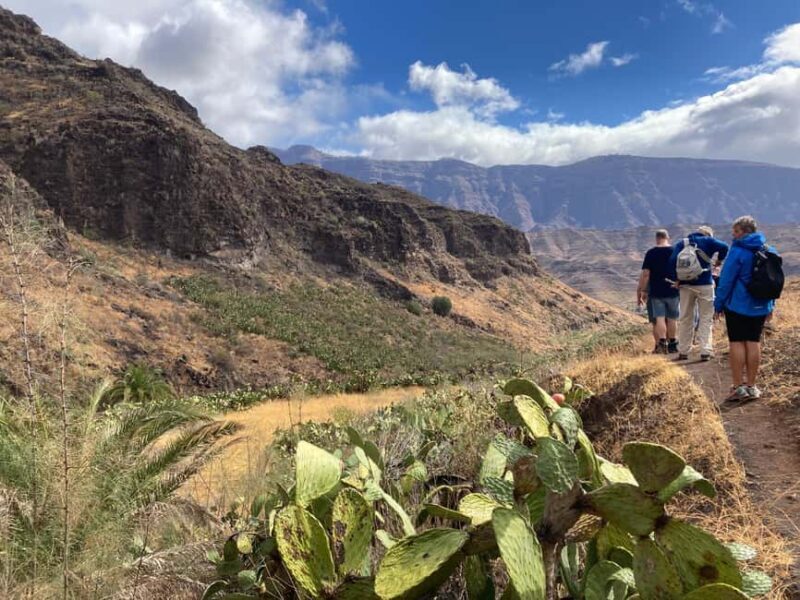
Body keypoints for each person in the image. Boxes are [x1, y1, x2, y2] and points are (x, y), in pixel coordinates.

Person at [714, 216, 777, 403]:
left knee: (737, 342)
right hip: (760, 305)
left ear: (743, 231)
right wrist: (771, 305)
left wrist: (718, 304)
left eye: (735, 231)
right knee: (753, 342)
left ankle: (738, 387)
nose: (733, 235)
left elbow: (726, 281)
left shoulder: (738, 251)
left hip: (737, 305)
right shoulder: (768, 249)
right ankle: (752, 386)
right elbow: (773, 281)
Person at [671, 225, 728, 361]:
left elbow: (672, 261)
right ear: (708, 235)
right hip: (705, 284)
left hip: (686, 286)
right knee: (706, 317)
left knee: (685, 317)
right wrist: (719, 260)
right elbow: (725, 246)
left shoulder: (682, 243)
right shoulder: (709, 241)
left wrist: (677, 279)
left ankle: (684, 351)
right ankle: (705, 351)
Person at [637, 229, 679, 353]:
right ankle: (672, 344)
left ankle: (661, 344)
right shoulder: (675, 251)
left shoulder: (651, 253)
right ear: (668, 237)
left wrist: (643, 291)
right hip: (673, 289)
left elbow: (646, 274)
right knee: (672, 318)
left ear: (657, 239)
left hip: (656, 291)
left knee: (659, 318)